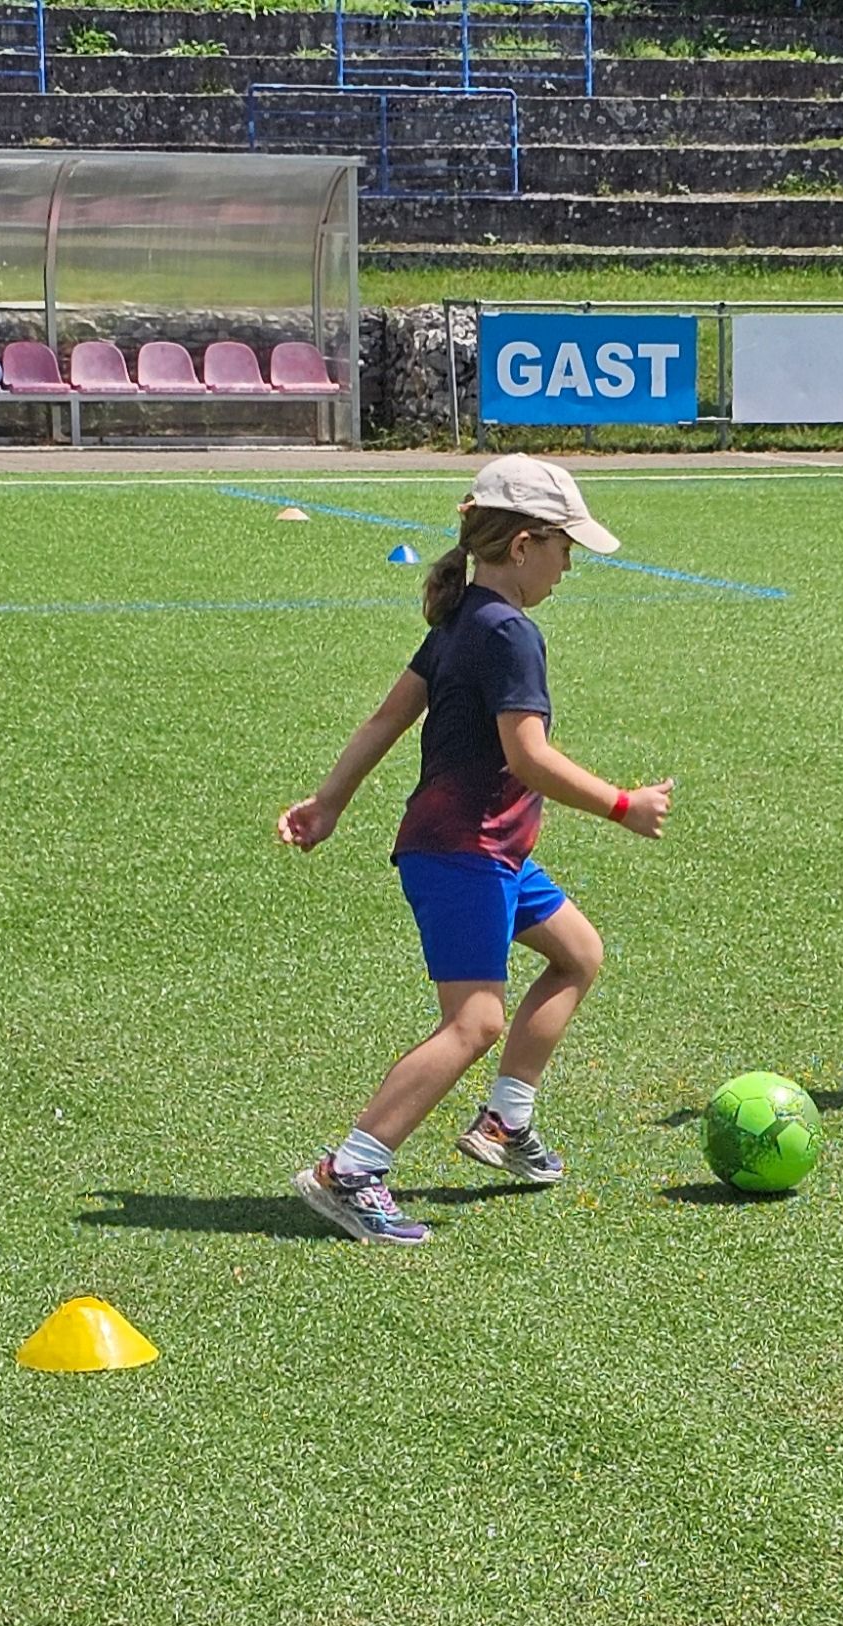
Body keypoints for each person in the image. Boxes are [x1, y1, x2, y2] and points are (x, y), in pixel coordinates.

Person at [278, 455, 674, 1244]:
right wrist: (621, 803)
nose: (570, 566)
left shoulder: (461, 619)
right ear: (524, 545)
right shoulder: (510, 633)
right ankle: (350, 1168)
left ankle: (505, 1121)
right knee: (475, 1020)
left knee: (578, 953)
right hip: (465, 852)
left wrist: (330, 802)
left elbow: (385, 720)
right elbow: (527, 756)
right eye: (567, 549)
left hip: (486, 850)